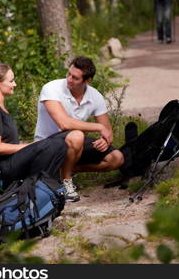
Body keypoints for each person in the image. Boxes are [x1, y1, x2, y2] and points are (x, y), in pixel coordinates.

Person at [0, 63, 82, 202]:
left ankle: (55, 185)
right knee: (52, 145)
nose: (15, 84)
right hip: (2, 172)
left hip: (11, 163)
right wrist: (30, 146)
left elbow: (10, 143)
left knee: (64, 137)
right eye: (11, 80)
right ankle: (44, 189)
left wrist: (33, 146)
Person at [34, 56, 125, 199]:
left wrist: (105, 140)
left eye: (75, 78)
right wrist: (98, 127)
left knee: (117, 158)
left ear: (87, 81)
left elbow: (107, 131)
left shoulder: (95, 96)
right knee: (77, 135)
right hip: (47, 145)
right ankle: (65, 183)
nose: (69, 79)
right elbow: (64, 123)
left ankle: (69, 170)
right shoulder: (51, 88)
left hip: (74, 145)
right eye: (68, 74)